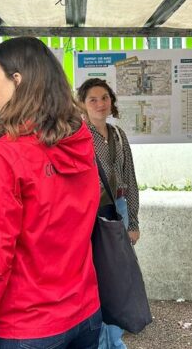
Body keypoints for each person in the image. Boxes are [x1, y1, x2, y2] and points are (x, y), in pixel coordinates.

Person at [0, 37, 102, 349]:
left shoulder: (6, 155)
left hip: (28, 325)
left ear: (18, 80)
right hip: (85, 311)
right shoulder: (81, 138)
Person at [75, 78, 140, 349]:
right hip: (89, 214)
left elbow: (130, 178)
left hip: (119, 210)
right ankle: (99, 343)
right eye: (93, 99)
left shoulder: (118, 135)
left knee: (118, 279)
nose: (100, 104)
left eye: (104, 98)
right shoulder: (77, 136)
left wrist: (133, 221)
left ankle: (114, 340)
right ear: (82, 104)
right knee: (95, 279)